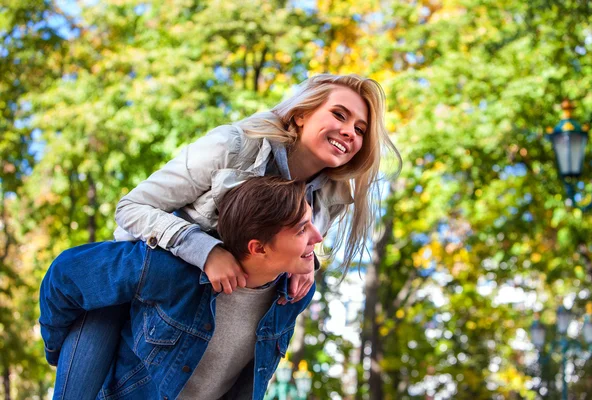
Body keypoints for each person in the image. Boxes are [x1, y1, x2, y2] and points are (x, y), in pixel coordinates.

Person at [45, 74, 401, 399]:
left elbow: (283, 248)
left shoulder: (329, 198)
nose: (350, 132)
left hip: (203, 323)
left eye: (360, 128)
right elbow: (132, 208)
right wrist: (206, 250)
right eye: (339, 115)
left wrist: (306, 263)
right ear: (300, 114)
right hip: (133, 278)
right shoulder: (234, 145)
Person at [40, 176, 324, 399]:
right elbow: (66, 274)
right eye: (302, 230)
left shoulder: (294, 294)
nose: (318, 236)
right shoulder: (171, 270)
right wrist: (57, 351)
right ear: (258, 248)